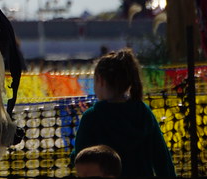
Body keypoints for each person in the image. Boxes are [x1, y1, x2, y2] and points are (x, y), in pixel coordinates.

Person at [72, 48, 175, 177]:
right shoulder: (143, 113)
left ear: (101, 81)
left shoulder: (92, 117)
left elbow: (79, 159)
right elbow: (163, 161)